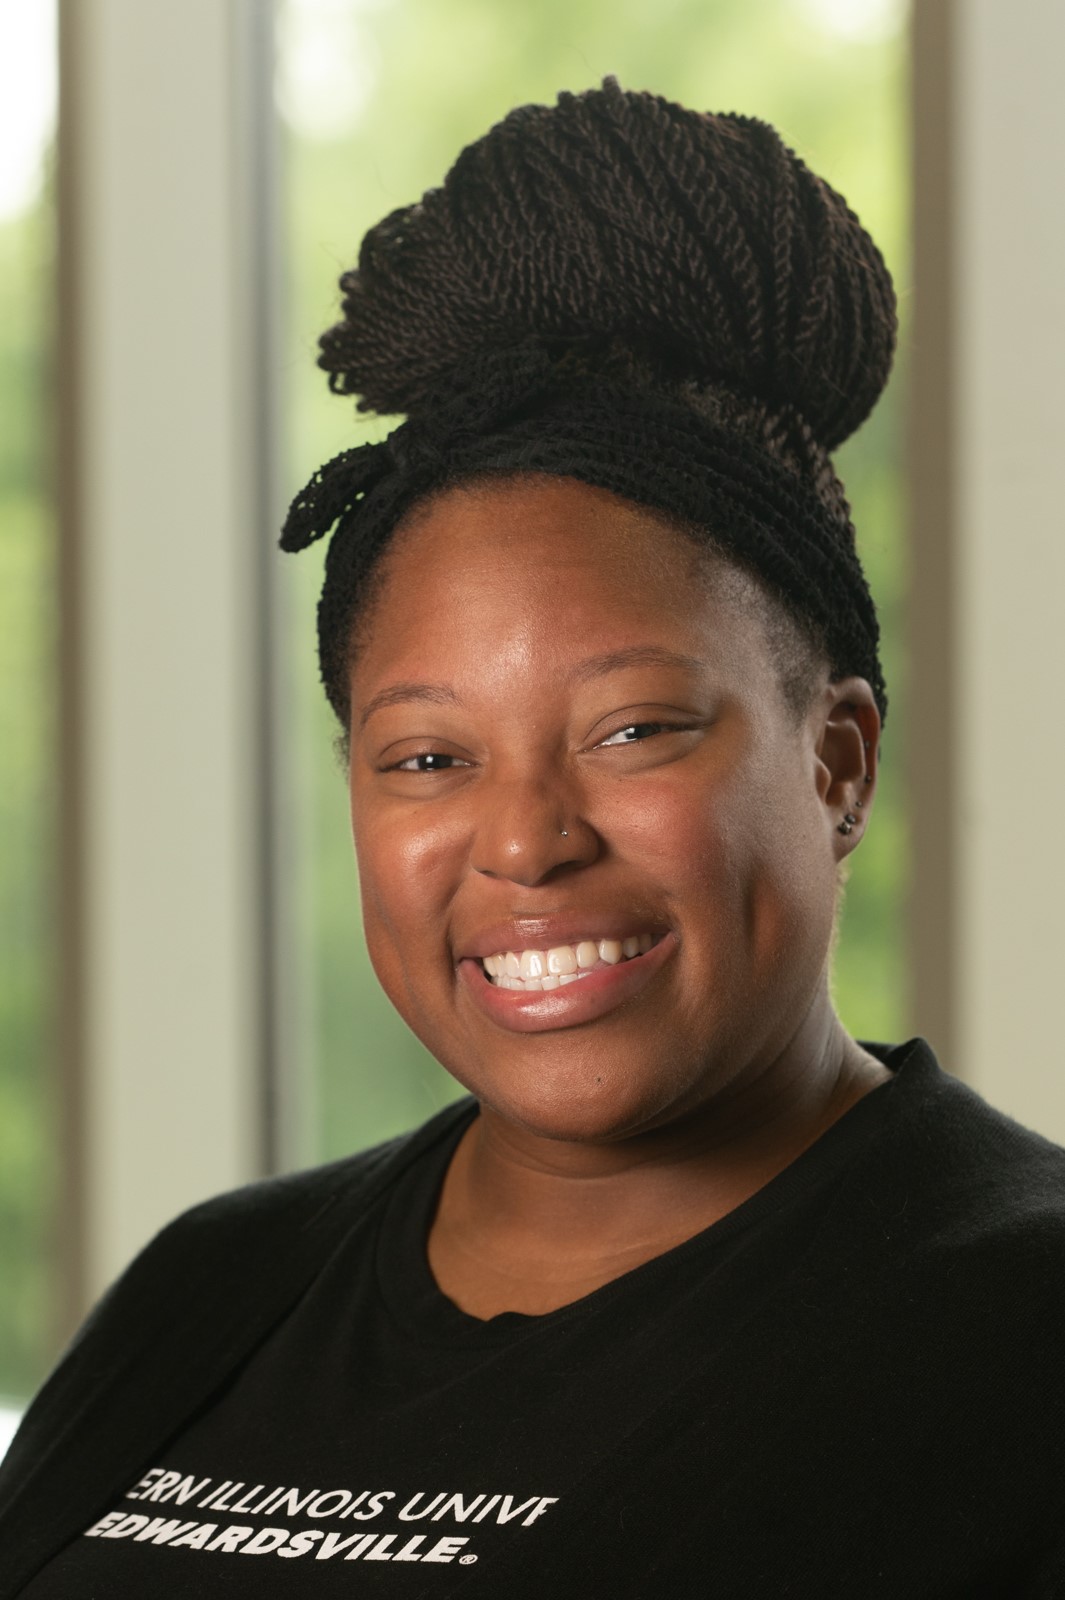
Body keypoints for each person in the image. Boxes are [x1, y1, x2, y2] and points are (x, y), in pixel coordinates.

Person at [2, 78, 1063, 1598]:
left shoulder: (1019, 1336)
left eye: (633, 729)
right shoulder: (220, 1286)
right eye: (427, 756)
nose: (523, 841)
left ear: (837, 758)